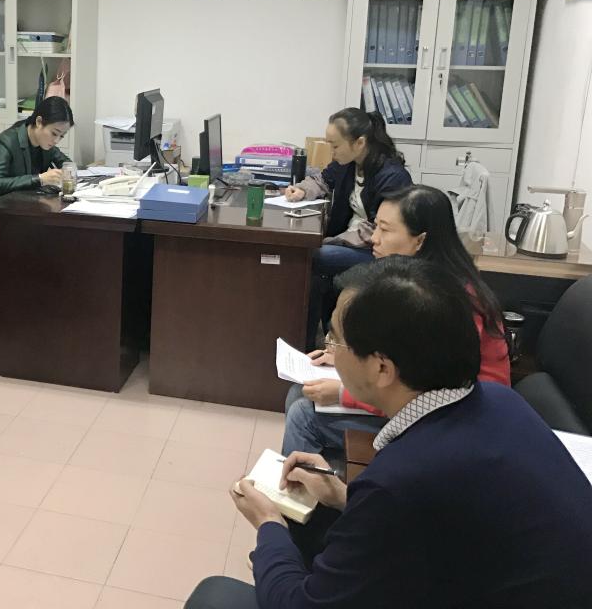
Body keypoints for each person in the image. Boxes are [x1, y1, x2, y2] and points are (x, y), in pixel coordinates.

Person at [186, 257, 592, 609]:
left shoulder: (401, 480)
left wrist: (269, 524)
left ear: (382, 368)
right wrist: (343, 496)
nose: (329, 350)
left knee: (215, 596)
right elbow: (439, 521)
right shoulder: (503, 402)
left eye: (335, 339)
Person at [283, 184, 510, 457]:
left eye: (385, 230)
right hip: (430, 406)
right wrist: (346, 354)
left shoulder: (444, 301)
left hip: (458, 421)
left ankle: (320, 482)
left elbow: (422, 393)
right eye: (375, 227)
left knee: (304, 414)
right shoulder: (417, 283)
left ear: (420, 240)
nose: (374, 239)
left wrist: (344, 393)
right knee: (300, 392)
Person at [285, 108, 411, 348]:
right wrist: (301, 190)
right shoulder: (348, 163)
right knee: (314, 272)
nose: (331, 151)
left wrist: (332, 241)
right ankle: (308, 342)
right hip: (348, 241)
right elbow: (322, 179)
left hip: (375, 249)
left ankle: (309, 341)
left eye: (335, 145)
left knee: (313, 256)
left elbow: (377, 230)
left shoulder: (392, 176)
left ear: (359, 143)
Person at [0, 96, 74, 251]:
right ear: (39, 122)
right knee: (48, 244)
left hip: (17, 216)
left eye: (61, 136)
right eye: (54, 133)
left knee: (58, 239)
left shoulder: (44, 142)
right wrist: (40, 179)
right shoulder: (6, 142)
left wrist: (70, 171)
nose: (56, 140)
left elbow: (65, 162)